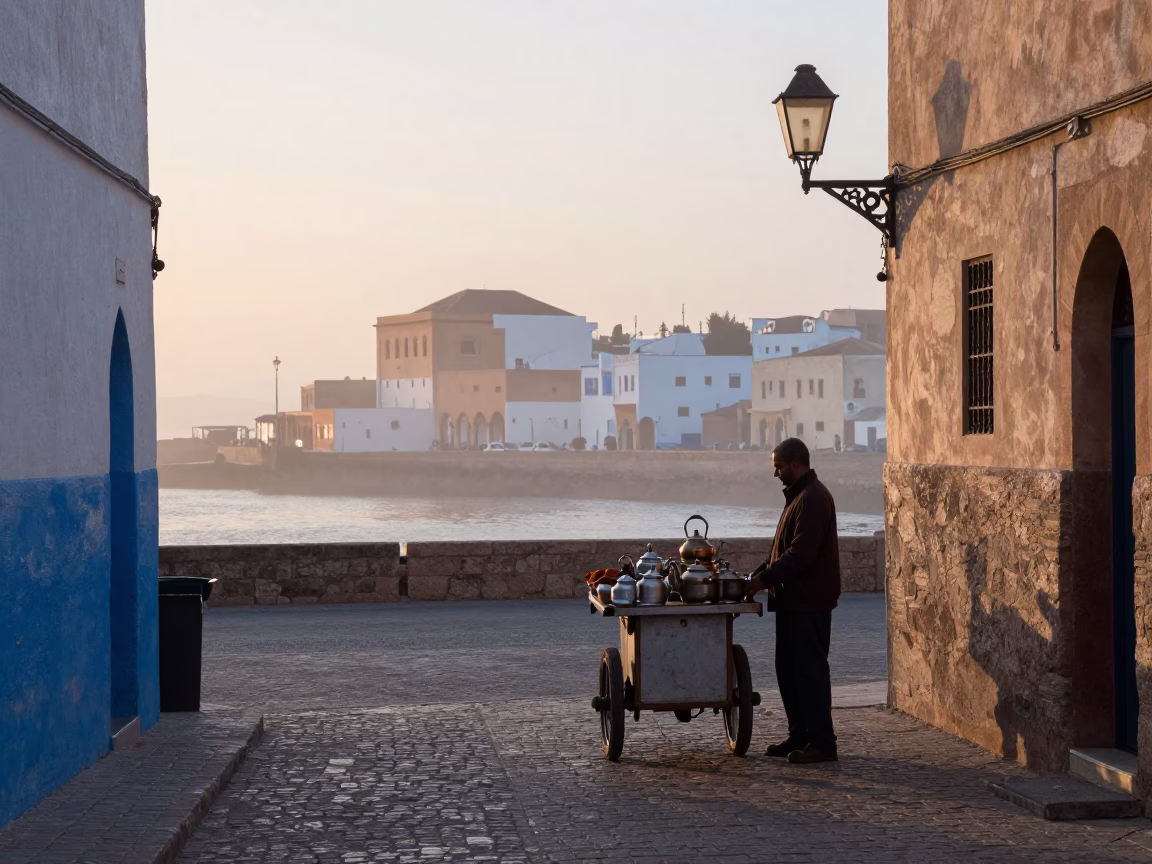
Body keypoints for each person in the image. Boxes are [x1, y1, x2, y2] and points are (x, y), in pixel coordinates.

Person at [743, 437, 841, 764]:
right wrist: (759, 575)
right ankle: (799, 733)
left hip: (808, 602)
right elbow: (784, 550)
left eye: (779, 467)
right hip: (791, 600)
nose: (776, 474)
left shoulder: (813, 499)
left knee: (810, 670)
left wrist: (762, 580)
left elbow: (801, 554)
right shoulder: (799, 497)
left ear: (795, 464)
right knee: (787, 669)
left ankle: (823, 743)